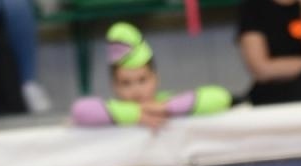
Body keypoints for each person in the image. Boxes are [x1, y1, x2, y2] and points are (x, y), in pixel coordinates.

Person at [68, 23, 232, 128]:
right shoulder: (110, 111)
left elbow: (221, 97)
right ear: (114, 86)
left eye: (142, 80)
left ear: (156, 78)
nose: (136, 90)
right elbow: (79, 110)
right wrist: (136, 114)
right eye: (126, 83)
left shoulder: (169, 102)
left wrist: (166, 108)